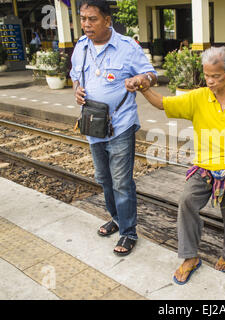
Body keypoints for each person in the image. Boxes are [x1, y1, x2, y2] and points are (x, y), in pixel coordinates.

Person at [125, 46, 225, 285]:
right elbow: (162, 104)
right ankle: (190, 257)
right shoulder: (199, 96)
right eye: (207, 75)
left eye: (216, 76)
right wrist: (145, 88)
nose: (209, 81)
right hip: (204, 166)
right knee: (187, 201)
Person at [70, 0, 157, 256]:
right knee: (104, 178)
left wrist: (141, 79)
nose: (86, 24)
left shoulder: (127, 47)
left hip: (120, 124)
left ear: (107, 20)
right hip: (93, 125)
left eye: (92, 19)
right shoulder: (81, 47)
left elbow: (152, 74)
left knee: (121, 181)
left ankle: (128, 232)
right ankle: (116, 218)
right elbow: (75, 75)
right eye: (83, 18)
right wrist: (77, 89)